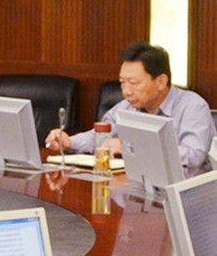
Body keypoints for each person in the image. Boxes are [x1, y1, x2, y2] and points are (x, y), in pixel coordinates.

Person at [47, 41, 214, 171]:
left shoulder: (193, 107)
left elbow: (193, 156)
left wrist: (129, 148)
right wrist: (68, 142)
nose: (126, 91)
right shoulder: (126, 107)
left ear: (161, 81)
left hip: (184, 191)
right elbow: (100, 137)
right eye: (122, 83)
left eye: (133, 83)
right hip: (138, 187)